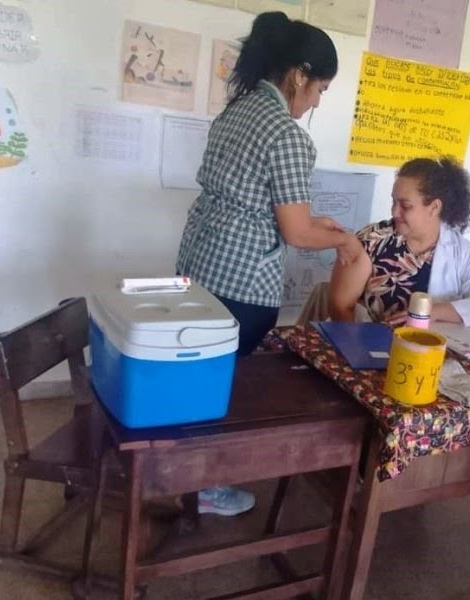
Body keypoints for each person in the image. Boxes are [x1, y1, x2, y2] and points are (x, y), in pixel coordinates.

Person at [175, 11, 361, 517]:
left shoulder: (237, 111)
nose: (317, 102)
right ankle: (204, 486)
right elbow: (295, 232)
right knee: (223, 386)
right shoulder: (286, 135)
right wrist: (344, 243)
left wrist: (321, 224)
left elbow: (261, 204)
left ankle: (185, 470)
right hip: (241, 284)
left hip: (199, 266)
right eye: (320, 89)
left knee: (199, 374)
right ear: (299, 75)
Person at [329, 156, 470, 327]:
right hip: (366, 341)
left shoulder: (463, 252)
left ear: (434, 207)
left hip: (430, 344)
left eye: (405, 206)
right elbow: (340, 307)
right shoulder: (372, 240)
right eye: (393, 202)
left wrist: (433, 312)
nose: (395, 212)